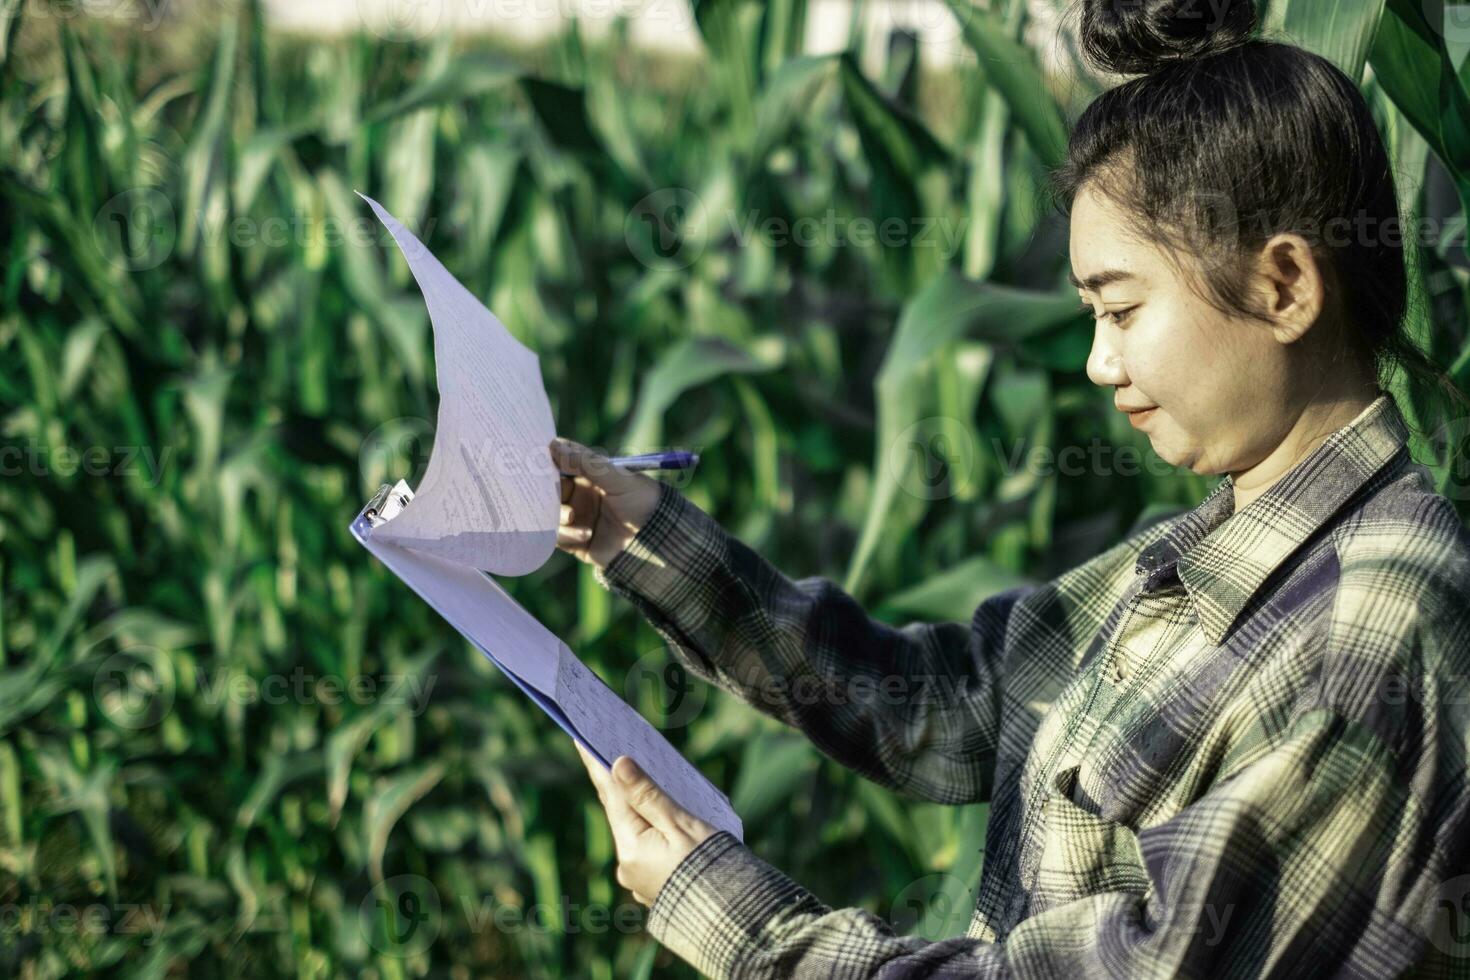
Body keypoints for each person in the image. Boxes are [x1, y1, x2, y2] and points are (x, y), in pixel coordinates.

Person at [549, 0, 1470, 975]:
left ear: (1284, 284)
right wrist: (645, 536)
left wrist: (734, 916)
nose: (1096, 363)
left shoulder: (1370, 633)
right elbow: (951, 703)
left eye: (1120, 309)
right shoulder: (1214, 545)